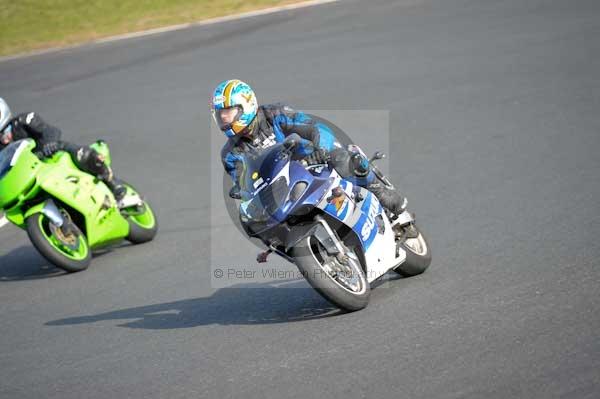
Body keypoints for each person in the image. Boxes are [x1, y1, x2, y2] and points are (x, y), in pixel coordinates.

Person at [211, 79, 405, 216]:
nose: (225, 119)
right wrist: (243, 192)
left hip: (312, 161)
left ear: (247, 105)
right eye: (221, 115)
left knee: (341, 159)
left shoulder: (274, 114)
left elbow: (313, 127)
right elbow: (243, 185)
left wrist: (320, 149)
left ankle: (379, 192)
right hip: (283, 186)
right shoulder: (230, 154)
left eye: (229, 112)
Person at [0, 97, 126, 202]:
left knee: (83, 155)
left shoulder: (24, 120)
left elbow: (50, 131)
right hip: (28, 174)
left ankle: (114, 184)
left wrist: (49, 144)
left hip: (51, 154)